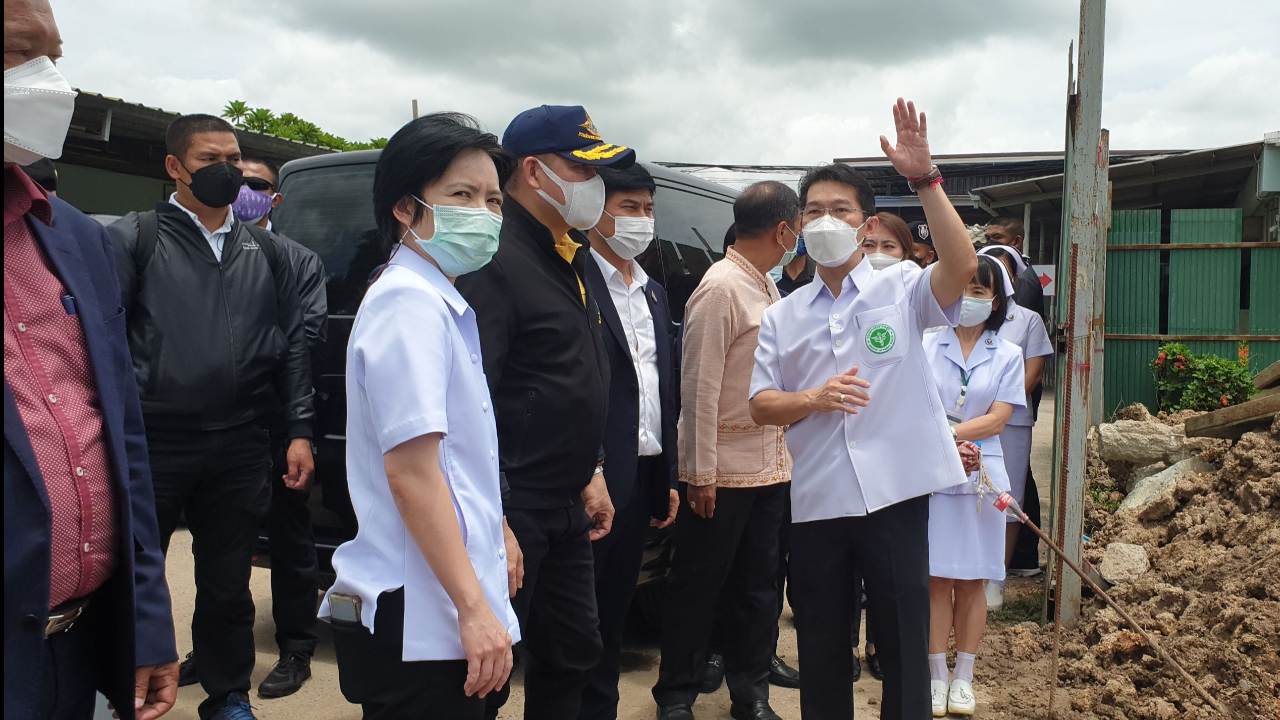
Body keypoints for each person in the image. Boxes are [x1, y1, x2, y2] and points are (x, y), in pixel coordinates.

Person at [748, 99, 978, 720]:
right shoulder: (782, 314)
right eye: (814, 210)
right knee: (822, 643)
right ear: (798, 224)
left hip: (895, 495)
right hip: (819, 500)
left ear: (864, 222)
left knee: (902, 641)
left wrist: (925, 179)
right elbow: (762, 405)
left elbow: (962, 266)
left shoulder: (900, 287)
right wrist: (814, 399)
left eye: (840, 209)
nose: (826, 219)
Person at [108, 114, 315, 720]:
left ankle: (228, 696)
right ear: (175, 166)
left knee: (228, 583)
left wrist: (299, 430)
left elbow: (292, 347)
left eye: (233, 158)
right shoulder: (135, 238)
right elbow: (104, 340)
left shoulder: (267, 250)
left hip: (240, 441)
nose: (226, 171)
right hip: (154, 441)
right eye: (209, 159)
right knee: (135, 573)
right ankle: (122, 688)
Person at [4, 2, 179, 717]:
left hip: (72, 651)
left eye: (55, 56)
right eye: (19, 52)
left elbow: (118, 437)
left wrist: (147, 622)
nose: (49, 81)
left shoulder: (73, 237)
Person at [317, 112, 521, 719]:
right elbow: (411, 472)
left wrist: (497, 529)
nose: (483, 213)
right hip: (421, 615)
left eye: (493, 199)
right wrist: (473, 609)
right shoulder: (407, 303)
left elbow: (457, 458)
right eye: (461, 195)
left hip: (445, 602)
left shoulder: (438, 299)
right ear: (405, 208)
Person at [455, 104, 635, 720]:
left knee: (572, 653)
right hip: (515, 505)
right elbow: (473, 397)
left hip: (565, 501)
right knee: (489, 669)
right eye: (583, 170)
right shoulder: (494, 258)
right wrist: (497, 516)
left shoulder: (570, 252)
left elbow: (570, 373)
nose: (595, 186)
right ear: (533, 171)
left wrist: (593, 469)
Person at [168, 157, 328, 698]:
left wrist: (236, 350)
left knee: (289, 539)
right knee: (217, 550)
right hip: (217, 427)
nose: (242, 187)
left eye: (256, 182)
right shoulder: (194, 250)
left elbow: (307, 335)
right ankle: (212, 651)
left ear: (274, 198)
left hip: (276, 421)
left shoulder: (295, 258)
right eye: (237, 178)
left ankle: (296, 647)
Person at [652, 181, 799, 720]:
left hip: (770, 467)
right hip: (723, 471)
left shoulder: (764, 284)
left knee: (759, 589)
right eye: (799, 227)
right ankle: (676, 695)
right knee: (698, 586)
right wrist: (699, 473)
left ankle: (750, 693)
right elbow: (698, 388)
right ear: (783, 231)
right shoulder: (721, 288)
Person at [577, 163, 680, 719]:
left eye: (648, 209)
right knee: (577, 616)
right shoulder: (574, 280)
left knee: (616, 609)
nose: (642, 219)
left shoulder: (653, 292)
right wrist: (589, 470)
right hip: (592, 478)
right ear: (595, 211)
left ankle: (602, 708)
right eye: (629, 207)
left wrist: (668, 476)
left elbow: (663, 389)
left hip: (642, 475)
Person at [922, 254, 1025, 717]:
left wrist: (948, 433)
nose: (968, 299)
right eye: (962, 288)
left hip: (982, 476)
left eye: (979, 291)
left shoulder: (1008, 355)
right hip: (931, 472)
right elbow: (913, 407)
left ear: (996, 301)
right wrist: (944, 439)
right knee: (935, 579)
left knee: (971, 582)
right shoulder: (926, 344)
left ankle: (964, 676)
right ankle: (936, 676)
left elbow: (998, 419)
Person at [977, 245, 1052, 611]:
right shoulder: (963, 314)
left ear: (1015, 277)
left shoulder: (1028, 320)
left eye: (1004, 270)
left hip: (1012, 420)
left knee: (1007, 496)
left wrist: (997, 407)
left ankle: (996, 578)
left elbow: (1033, 373)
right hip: (967, 419)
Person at [983, 216, 1044, 318]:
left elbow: (1017, 319)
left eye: (997, 237)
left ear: (1017, 242)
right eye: (988, 238)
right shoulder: (998, 270)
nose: (990, 243)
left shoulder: (1022, 277)